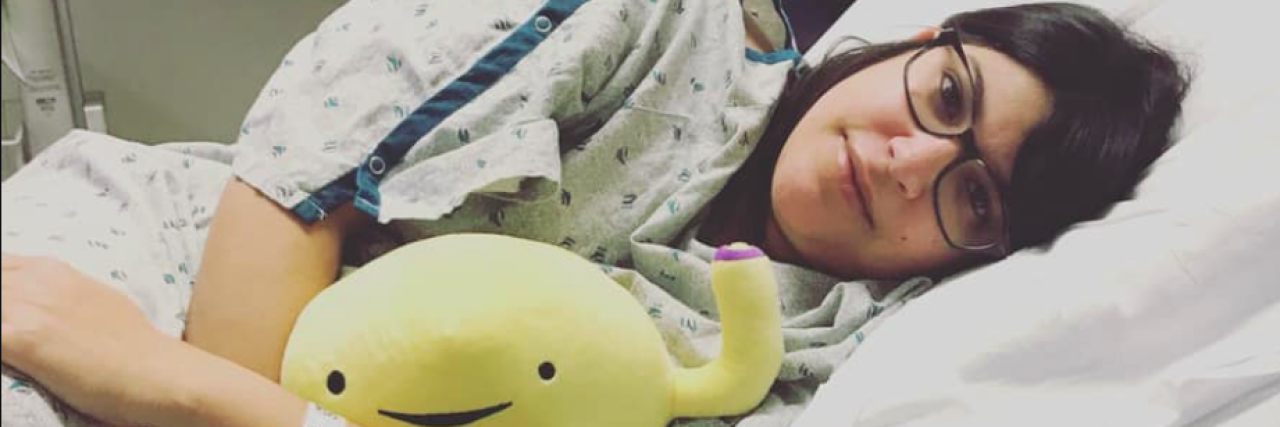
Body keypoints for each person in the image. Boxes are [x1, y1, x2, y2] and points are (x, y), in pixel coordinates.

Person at [0, 1, 1188, 426]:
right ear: (923, 45)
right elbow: (302, 173)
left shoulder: (819, 348)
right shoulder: (652, 25)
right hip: (149, 270)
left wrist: (202, 404)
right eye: (942, 98)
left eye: (969, 194)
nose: (899, 164)